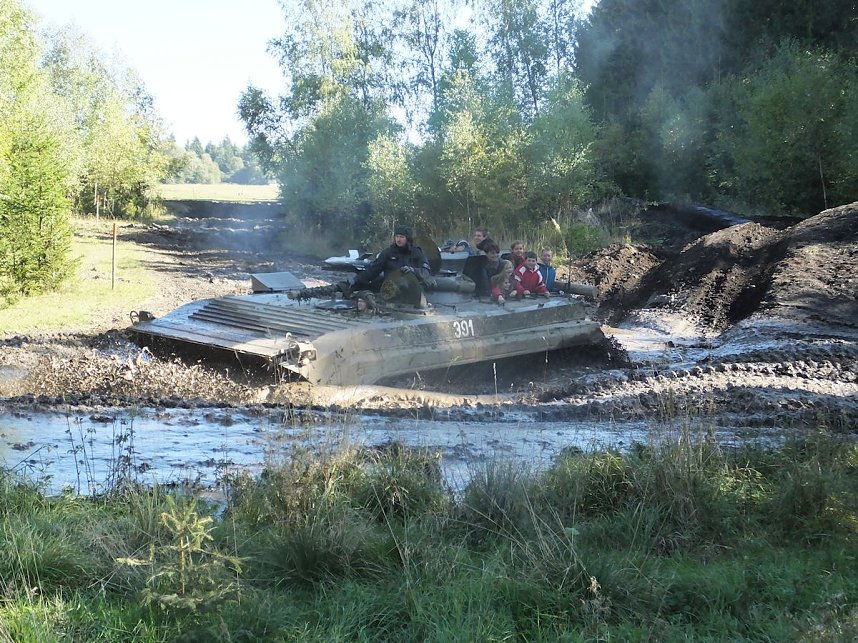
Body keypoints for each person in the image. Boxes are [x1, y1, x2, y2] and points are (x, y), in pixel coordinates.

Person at [352, 224, 432, 291]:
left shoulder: (416, 253)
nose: (398, 240)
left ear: (407, 238)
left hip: (413, 291)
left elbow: (426, 271)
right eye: (397, 236)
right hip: (391, 290)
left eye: (401, 237)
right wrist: (355, 280)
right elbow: (373, 270)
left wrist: (413, 270)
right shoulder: (388, 253)